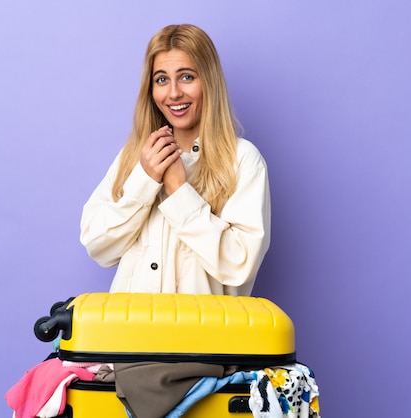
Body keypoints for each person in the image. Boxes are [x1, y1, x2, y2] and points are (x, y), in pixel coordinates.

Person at [80, 24, 270, 296]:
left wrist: (180, 192)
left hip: (201, 336)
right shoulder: (135, 157)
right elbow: (97, 245)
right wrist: (144, 182)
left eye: (187, 77)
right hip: (130, 335)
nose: (173, 93)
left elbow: (239, 265)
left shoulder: (242, 160)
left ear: (209, 81)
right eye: (161, 80)